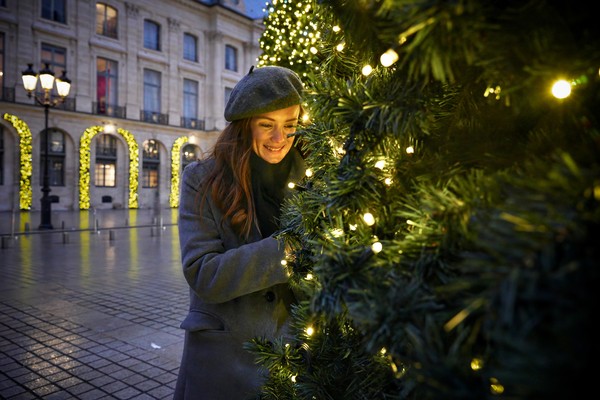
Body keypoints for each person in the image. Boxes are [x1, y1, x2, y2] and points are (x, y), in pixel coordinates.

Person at [174, 65, 306, 400]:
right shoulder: (202, 179)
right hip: (225, 363)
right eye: (267, 125)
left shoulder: (313, 179)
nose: (280, 139)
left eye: (289, 126)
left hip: (295, 363)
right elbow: (203, 273)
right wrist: (287, 250)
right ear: (244, 127)